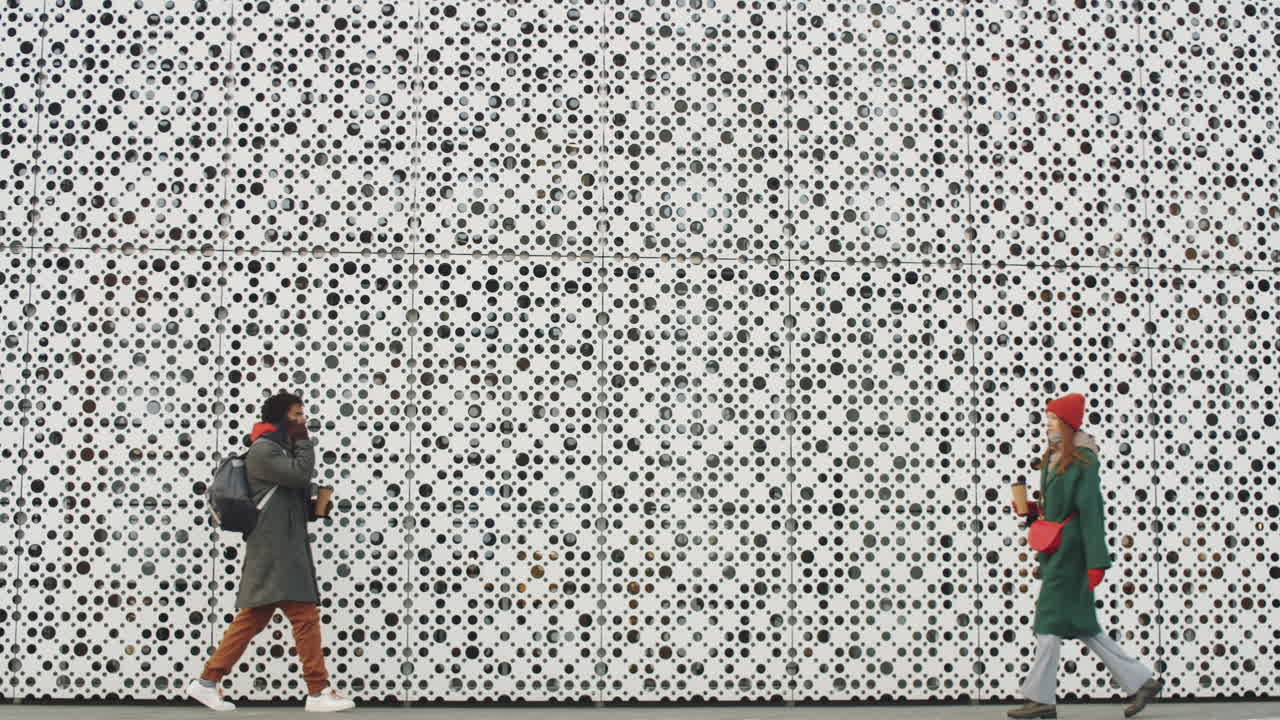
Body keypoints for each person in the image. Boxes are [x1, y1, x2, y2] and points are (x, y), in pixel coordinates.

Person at [187, 392, 355, 713]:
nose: (302, 420)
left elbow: (290, 492)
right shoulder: (264, 450)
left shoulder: (276, 449)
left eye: (302, 414)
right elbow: (300, 474)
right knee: (304, 616)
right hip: (276, 548)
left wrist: (315, 507)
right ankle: (317, 690)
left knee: (251, 619)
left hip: (279, 545)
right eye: (296, 414)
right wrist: (304, 441)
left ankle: (207, 682)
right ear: (280, 417)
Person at [1006, 393, 1161, 719]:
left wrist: (1096, 562)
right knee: (1085, 628)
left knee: (1048, 624)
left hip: (1072, 556)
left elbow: (1092, 513)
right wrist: (1034, 511)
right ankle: (1142, 681)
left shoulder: (1083, 462)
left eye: (1051, 419)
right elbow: (1058, 507)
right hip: (1058, 552)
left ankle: (1041, 699)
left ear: (1066, 422)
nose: (1046, 423)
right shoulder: (1054, 456)